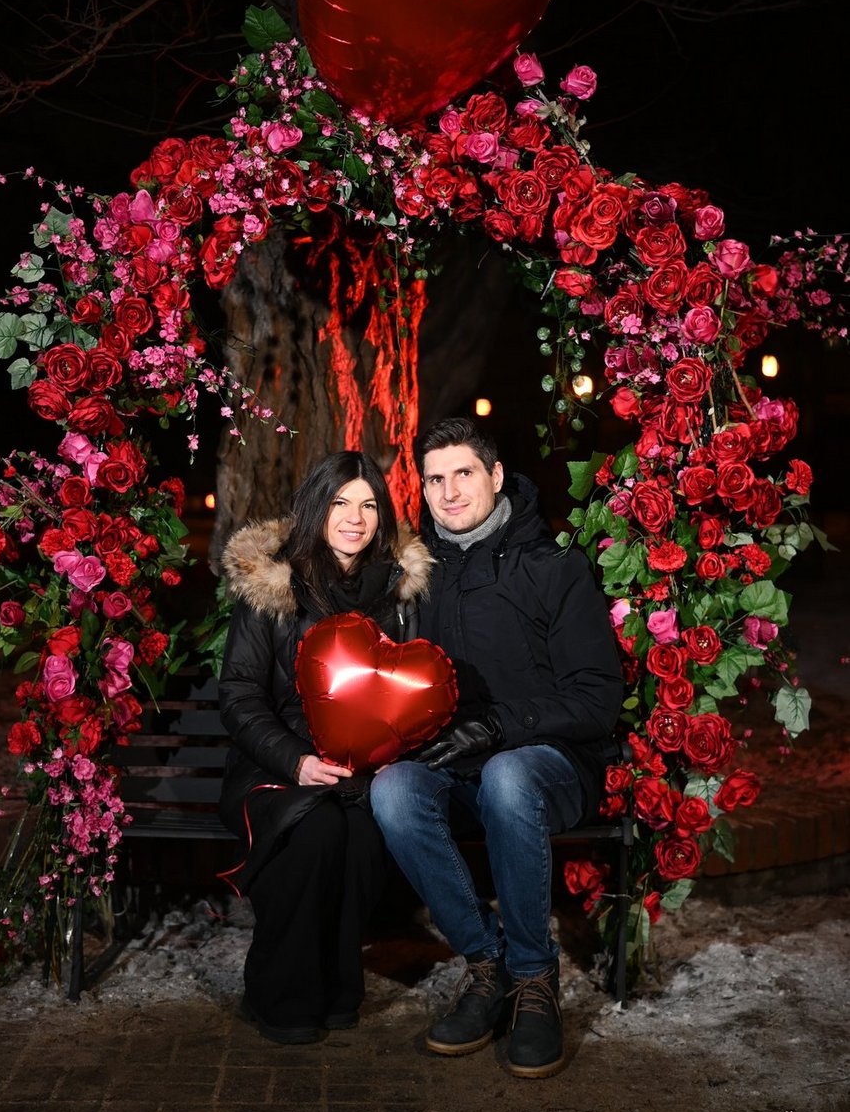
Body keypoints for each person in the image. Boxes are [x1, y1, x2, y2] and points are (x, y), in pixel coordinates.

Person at [369, 417, 623, 1078]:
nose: (450, 491)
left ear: (496, 475)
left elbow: (597, 696)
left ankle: (535, 979)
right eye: (435, 478)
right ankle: (487, 967)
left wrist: (504, 725)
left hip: (549, 764)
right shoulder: (416, 577)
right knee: (392, 789)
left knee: (510, 776)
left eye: (464, 473)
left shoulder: (554, 566)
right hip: (459, 766)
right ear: (421, 488)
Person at [217, 450, 433, 1045]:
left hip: (363, 769)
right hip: (277, 766)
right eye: (341, 502)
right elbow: (238, 693)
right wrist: (297, 760)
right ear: (318, 506)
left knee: (361, 837)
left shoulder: (397, 591)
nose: (355, 518)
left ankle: (338, 989)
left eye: (368, 505)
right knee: (314, 833)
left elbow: (411, 691)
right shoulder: (276, 584)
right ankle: (282, 994)